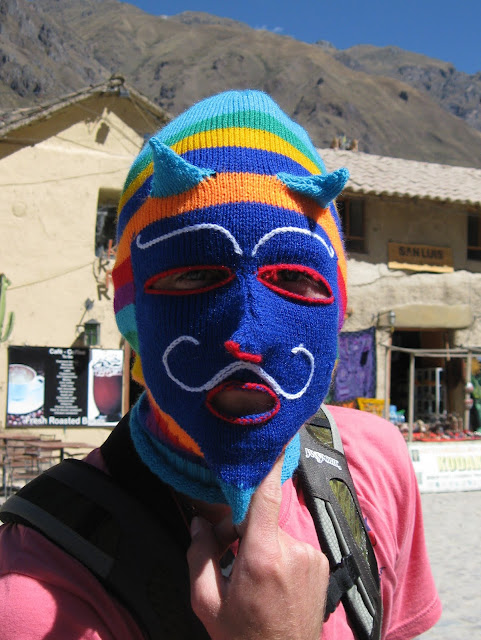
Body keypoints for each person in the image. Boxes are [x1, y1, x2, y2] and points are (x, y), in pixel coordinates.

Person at [0, 90, 441, 639]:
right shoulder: (37, 594)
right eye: (194, 276)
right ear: (131, 313)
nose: (247, 340)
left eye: (295, 278)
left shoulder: (376, 464)